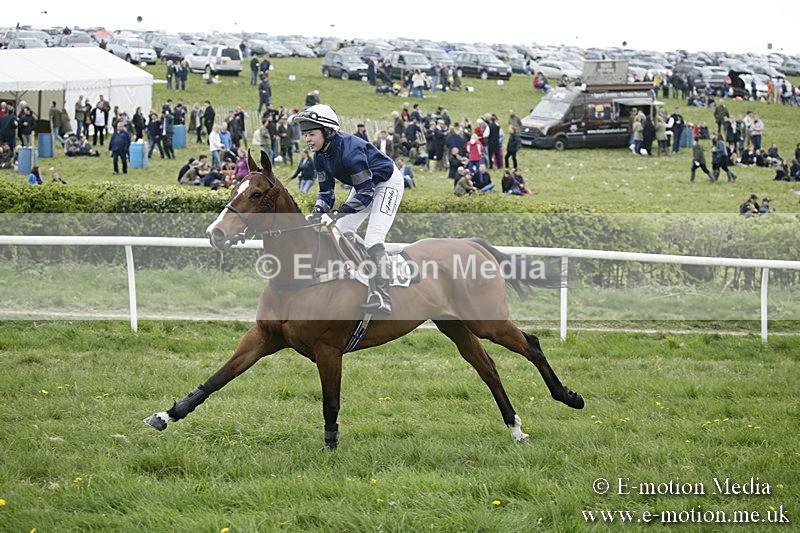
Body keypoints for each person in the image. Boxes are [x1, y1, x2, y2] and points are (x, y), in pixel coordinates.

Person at [294, 104, 404, 315]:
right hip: (366, 185)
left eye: (311, 134)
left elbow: (366, 192)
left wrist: (335, 213)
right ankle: (362, 275)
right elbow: (326, 193)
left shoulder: (350, 150)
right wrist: (318, 211)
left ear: (327, 132)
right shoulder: (319, 156)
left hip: (387, 183)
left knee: (373, 238)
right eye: (305, 135)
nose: (307, 139)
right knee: (341, 231)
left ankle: (382, 297)